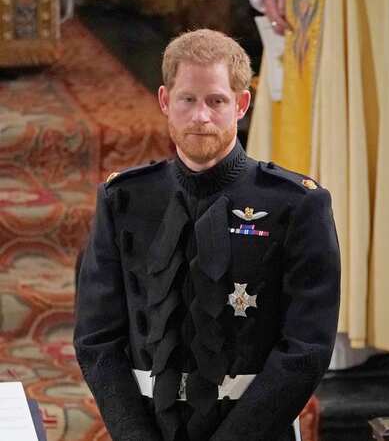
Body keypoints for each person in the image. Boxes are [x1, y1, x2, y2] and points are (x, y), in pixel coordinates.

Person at [73, 29, 340, 441]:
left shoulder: (296, 205)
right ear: (165, 101)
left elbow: (306, 348)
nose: (201, 116)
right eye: (188, 100)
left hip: (255, 430)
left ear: (242, 104)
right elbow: (96, 340)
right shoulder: (124, 200)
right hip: (147, 428)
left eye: (217, 101)